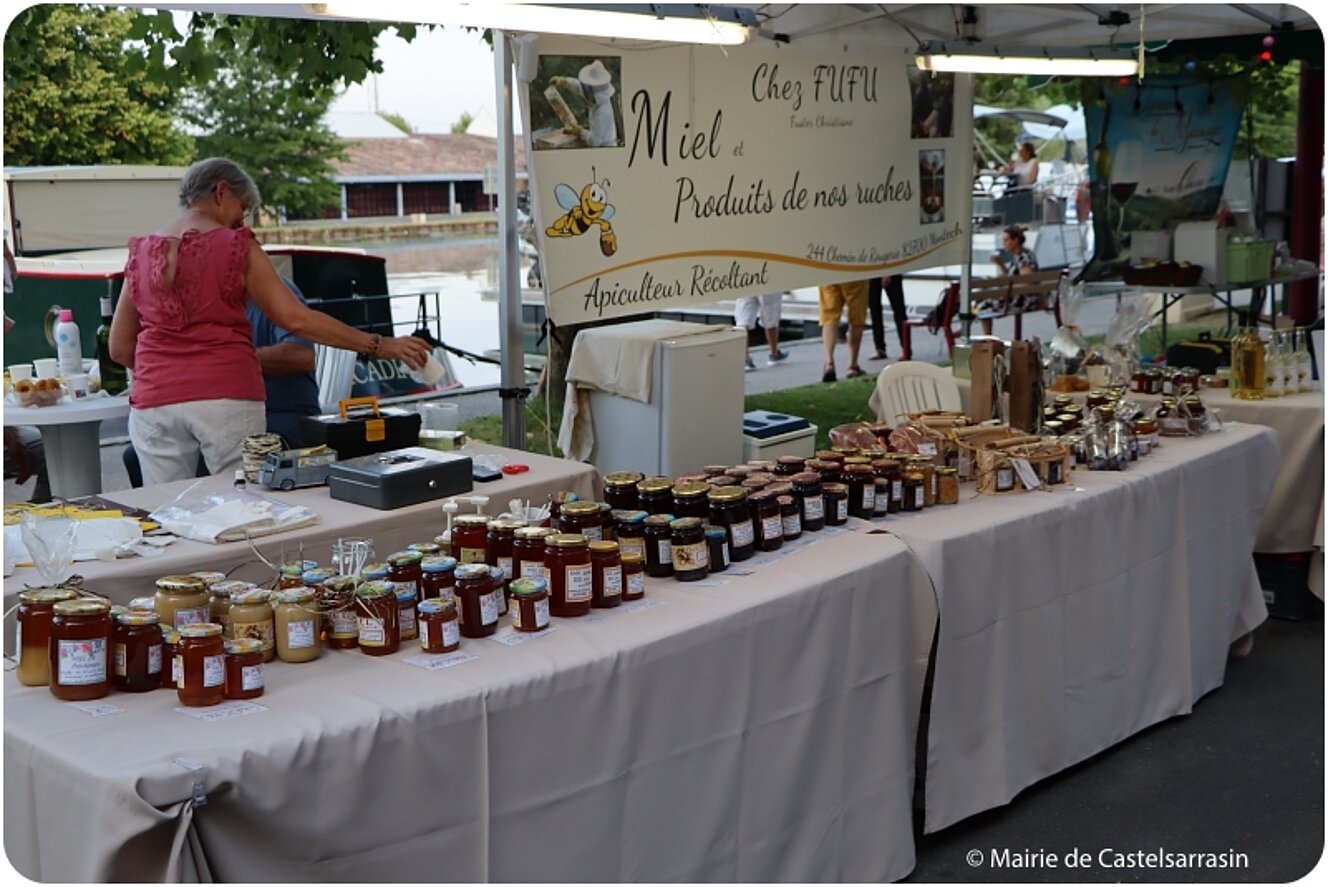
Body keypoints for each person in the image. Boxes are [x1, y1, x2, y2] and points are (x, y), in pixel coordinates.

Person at [109, 157, 430, 485]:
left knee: (166, 509)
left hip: (153, 400)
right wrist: (379, 344)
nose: (241, 222)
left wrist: (170, 368)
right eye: (243, 208)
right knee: (244, 501)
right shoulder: (236, 246)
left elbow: (119, 348)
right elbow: (297, 320)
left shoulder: (142, 251)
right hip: (225, 393)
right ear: (221, 192)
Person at [120, 275, 321, 488]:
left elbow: (302, 356)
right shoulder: (202, 296)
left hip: (282, 415)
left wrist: (224, 359)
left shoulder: (271, 290)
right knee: (134, 455)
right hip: (213, 408)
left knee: (197, 455)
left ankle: (202, 514)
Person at [978, 225, 1039, 337]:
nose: (1004, 244)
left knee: (983, 306)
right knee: (983, 297)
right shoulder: (1021, 255)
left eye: (1006, 240)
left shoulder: (1023, 257)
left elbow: (1026, 283)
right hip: (1019, 296)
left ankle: (987, 340)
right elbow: (1012, 277)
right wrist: (1000, 264)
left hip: (1023, 300)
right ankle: (980, 336)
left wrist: (1005, 288)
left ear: (1015, 240)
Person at [818, 279, 870, 382]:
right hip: (855, 273)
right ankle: (853, 365)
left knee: (829, 318)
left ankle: (829, 364)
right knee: (856, 319)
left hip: (829, 272)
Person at [733, 292, 789, 371]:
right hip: (768, 284)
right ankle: (774, 353)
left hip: (746, 283)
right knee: (770, 316)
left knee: (743, 320)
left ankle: (745, 359)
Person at [868, 275, 909, 361]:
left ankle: (906, 348)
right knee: (874, 311)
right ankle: (879, 348)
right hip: (871, 272)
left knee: (899, 310)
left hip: (891, 270)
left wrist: (887, 273)